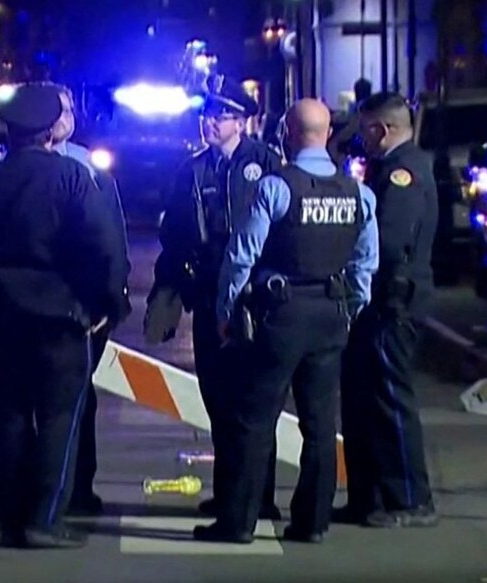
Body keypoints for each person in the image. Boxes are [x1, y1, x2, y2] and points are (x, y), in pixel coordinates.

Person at [0, 83, 128, 548]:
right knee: (59, 419)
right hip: (61, 319)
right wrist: (104, 306)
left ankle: (11, 518)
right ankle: (44, 517)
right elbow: (105, 249)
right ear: (49, 132)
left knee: (6, 418)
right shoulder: (71, 178)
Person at [204, 98, 378, 544]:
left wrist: (226, 312)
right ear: (327, 134)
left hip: (281, 315)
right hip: (331, 313)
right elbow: (365, 263)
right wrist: (351, 308)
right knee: (320, 424)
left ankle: (238, 522)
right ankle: (313, 522)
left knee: (255, 419)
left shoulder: (276, 188)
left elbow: (242, 254)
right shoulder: (357, 192)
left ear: (288, 133)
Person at [146, 76, 283, 520]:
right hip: (208, 297)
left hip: (254, 300)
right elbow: (175, 234)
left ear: (241, 122)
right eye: (206, 115)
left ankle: (258, 497)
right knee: (218, 400)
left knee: (254, 403)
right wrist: (165, 294)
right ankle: (229, 493)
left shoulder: (265, 163)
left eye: (220, 116)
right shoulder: (193, 169)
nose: (209, 122)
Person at [339, 92, 439, 528]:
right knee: (363, 402)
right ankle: (370, 497)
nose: (362, 139)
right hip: (377, 304)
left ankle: (410, 499)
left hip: (392, 304)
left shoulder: (403, 173)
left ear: (382, 129)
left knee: (390, 401)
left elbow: (388, 239)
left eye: (365, 130)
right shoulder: (388, 169)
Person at [51, 82, 131, 515]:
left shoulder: (89, 167)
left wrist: (110, 300)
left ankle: (79, 486)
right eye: (56, 110)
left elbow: (111, 237)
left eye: (68, 109)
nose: (64, 118)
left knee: (82, 399)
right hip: (41, 303)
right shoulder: (21, 166)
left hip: (83, 307)